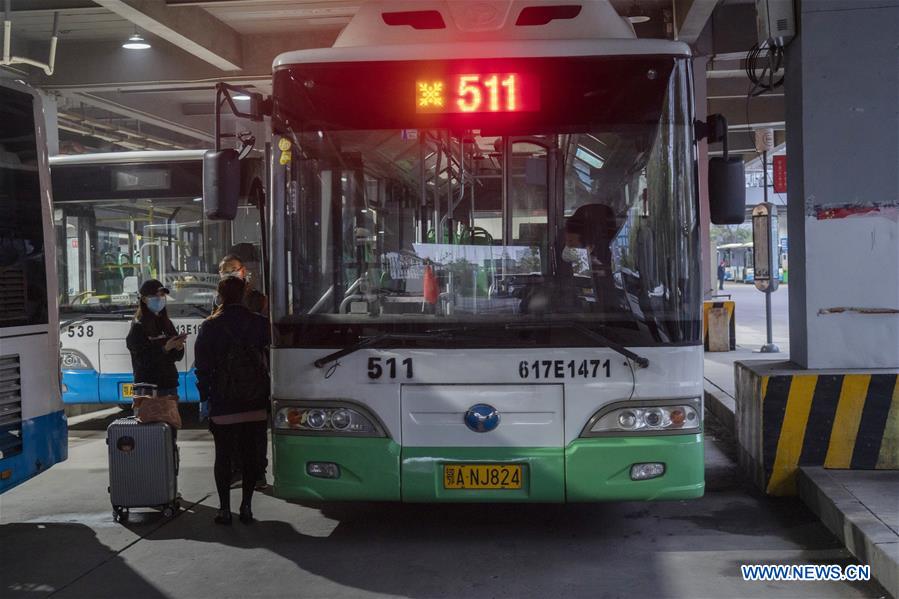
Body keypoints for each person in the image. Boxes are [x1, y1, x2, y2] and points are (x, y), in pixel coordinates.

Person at [194, 276, 270, 525]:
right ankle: (247, 506)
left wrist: (205, 397)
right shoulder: (260, 323)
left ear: (220, 295)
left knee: (223, 456)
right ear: (243, 295)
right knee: (250, 455)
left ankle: (224, 509)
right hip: (254, 401)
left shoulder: (210, 326)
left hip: (223, 401)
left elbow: (202, 367)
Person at [215, 247, 270, 490]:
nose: (229, 275)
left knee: (255, 432)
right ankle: (238, 471)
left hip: (252, 376)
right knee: (233, 431)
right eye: (225, 272)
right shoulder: (216, 302)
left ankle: (258, 472)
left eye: (233, 271)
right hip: (227, 378)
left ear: (243, 272)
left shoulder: (258, 300)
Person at [126, 280, 185, 423]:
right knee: (150, 433)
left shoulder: (166, 323)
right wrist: (165, 348)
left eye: (162, 295)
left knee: (170, 430)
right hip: (148, 388)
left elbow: (176, 357)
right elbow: (143, 360)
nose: (160, 299)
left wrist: (178, 347)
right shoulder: (138, 326)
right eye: (156, 296)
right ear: (145, 299)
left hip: (169, 384)